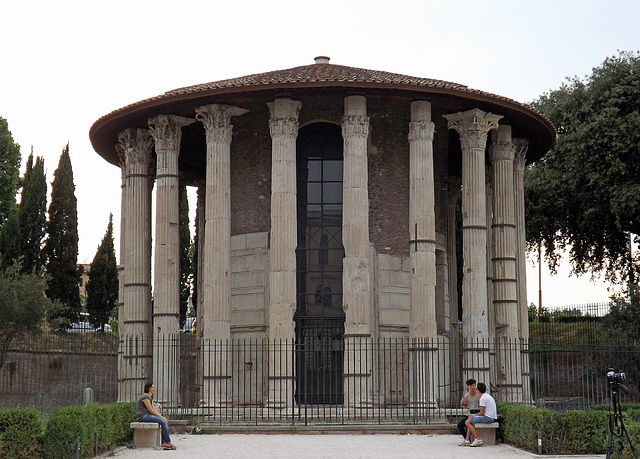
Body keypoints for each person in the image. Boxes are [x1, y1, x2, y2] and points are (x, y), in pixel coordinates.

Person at [136, 382, 177, 450]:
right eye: (152, 387)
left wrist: (161, 416)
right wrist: (162, 417)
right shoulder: (145, 397)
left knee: (165, 421)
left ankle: (164, 442)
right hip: (142, 416)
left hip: (147, 415)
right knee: (163, 421)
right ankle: (168, 442)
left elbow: (154, 410)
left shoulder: (149, 398)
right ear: (149, 389)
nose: (154, 389)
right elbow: (151, 410)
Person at [463, 382, 497, 447]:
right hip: (491, 417)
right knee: (471, 420)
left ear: (478, 390)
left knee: (467, 422)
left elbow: (481, 413)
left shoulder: (483, 398)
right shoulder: (487, 396)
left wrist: (473, 415)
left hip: (488, 418)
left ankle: (477, 439)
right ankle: (467, 440)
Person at [457, 378, 481, 446]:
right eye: (471, 386)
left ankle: (468, 440)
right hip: (470, 412)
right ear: (468, 387)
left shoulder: (478, 395)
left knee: (469, 422)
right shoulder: (467, 395)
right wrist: (462, 403)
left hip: (477, 412)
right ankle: (466, 439)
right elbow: (466, 406)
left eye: (474, 385)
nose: (473, 387)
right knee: (460, 425)